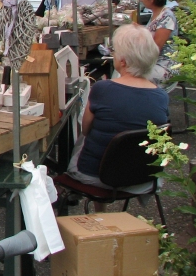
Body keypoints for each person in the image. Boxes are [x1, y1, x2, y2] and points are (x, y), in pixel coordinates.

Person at [67, 25, 169, 194]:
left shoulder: (102, 89)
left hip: (96, 177)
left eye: (114, 51)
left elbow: (85, 130)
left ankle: (89, 203)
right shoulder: (162, 96)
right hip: (144, 178)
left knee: (84, 138)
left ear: (123, 61)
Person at [137, 0, 179, 86]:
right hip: (152, 62)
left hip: (165, 64)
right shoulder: (156, 14)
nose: (141, 0)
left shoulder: (167, 17)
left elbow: (156, 47)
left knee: (133, 78)